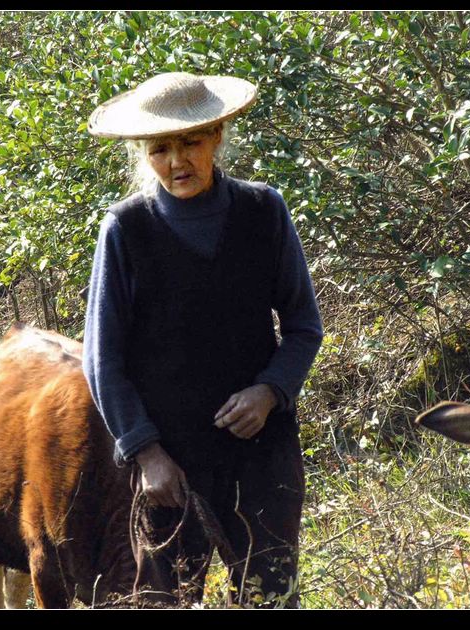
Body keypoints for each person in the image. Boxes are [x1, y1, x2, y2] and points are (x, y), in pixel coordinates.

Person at [82, 72, 323, 608]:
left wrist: (270, 392)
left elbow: (304, 326)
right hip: (170, 464)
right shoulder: (126, 229)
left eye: (190, 141)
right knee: (163, 600)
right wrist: (146, 454)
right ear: (144, 154)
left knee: (271, 597)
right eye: (159, 148)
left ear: (217, 135)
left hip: (262, 454)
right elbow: (102, 360)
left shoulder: (264, 211)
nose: (176, 161)